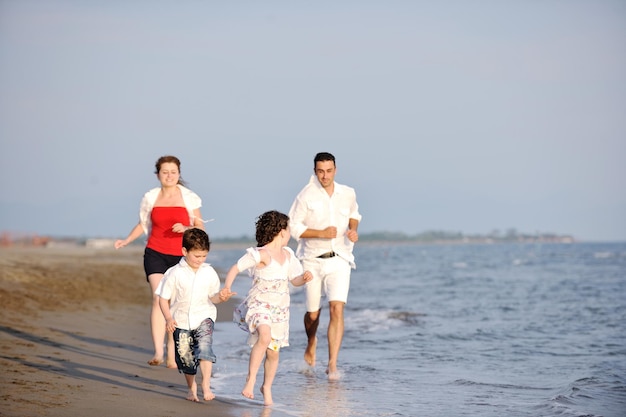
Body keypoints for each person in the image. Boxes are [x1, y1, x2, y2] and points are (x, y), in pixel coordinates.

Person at [114, 155, 206, 368]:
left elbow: (200, 228)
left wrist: (186, 228)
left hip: (180, 255)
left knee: (174, 304)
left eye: (173, 172)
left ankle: (173, 354)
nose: (169, 176)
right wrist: (127, 240)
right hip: (155, 252)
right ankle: (158, 351)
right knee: (158, 299)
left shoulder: (189, 198)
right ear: (158, 175)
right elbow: (143, 223)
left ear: (179, 174)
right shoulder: (151, 197)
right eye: (165, 172)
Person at [220, 210, 312, 405]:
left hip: (279, 310)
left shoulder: (288, 255)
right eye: (288, 230)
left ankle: (266, 386)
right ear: (281, 231)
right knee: (264, 336)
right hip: (259, 305)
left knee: (273, 352)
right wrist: (227, 287)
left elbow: (294, 281)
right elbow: (236, 267)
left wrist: (303, 279)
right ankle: (251, 379)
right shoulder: (261, 253)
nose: (290, 234)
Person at [288, 152, 361, 380]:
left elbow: (354, 213)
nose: (325, 175)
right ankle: (311, 341)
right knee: (312, 314)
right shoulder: (306, 195)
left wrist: (353, 229)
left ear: (335, 170)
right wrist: (320, 233)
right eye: (320, 171)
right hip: (311, 260)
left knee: (337, 308)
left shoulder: (347, 193)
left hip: (340, 258)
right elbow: (294, 228)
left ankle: (332, 364)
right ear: (315, 171)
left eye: (329, 171)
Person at [156, 227, 231, 402]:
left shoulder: (209, 272)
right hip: (180, 321)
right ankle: (192, 388)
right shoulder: (174, 273)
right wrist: (168, 318)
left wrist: (221, 297)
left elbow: (213, 298)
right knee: (186, 358)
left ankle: (205, 384)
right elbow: (162, 299)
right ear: (184, 251)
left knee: (204, 347)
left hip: (204, 316)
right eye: (197, 256)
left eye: (204, 256)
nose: (201, 260)